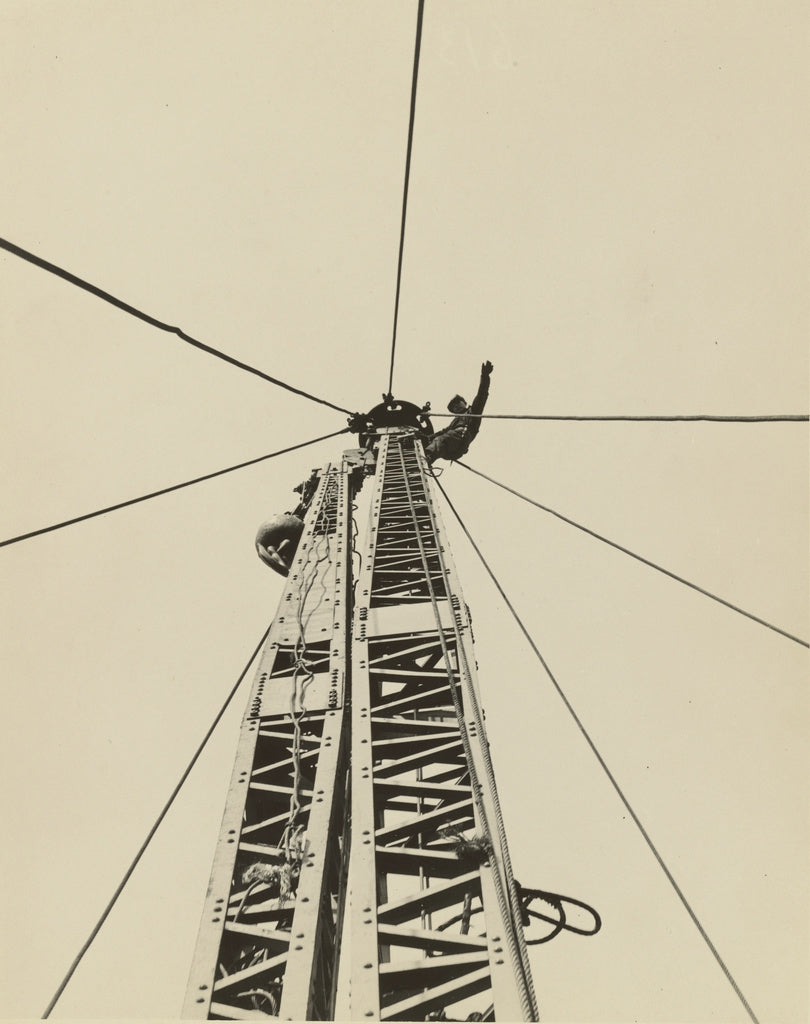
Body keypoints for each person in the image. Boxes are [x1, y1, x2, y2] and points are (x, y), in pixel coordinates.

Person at [424, 361, 493, 464]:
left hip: (459, 440)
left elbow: (482, 395)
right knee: (436, 439)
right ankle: (426, 456)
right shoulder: (455, 422)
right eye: (453, 407)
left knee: (442, 439)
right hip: (449, 447)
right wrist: (426, 438)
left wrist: (485, 376)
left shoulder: (473, 412)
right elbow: (443, 431)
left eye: (457, 403)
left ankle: (427, 457)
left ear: (464, 402)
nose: (456, 406)